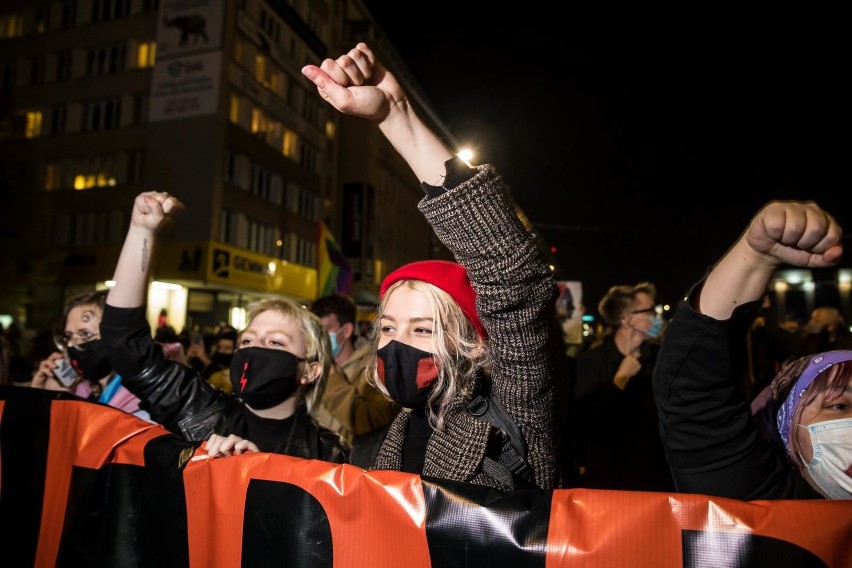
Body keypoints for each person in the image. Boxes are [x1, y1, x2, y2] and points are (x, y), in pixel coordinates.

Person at [301, 43, 564, 490]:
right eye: (388, 328)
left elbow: (511, 276)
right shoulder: (373, 448)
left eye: (423, 330)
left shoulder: (516, 415)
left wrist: (395, 116)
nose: (397, 346)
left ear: (474, 344)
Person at [100, 192, 347, 463]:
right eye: (247, 341)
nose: (254, 351)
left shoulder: (330, 456)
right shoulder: (199, 412)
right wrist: (141, 231)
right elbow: (125, 342)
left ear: (311, 370)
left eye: (275, 342)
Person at [654, 199, 851, 499]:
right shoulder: (771, 504)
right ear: (790, 432)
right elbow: (693, 389)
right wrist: (755, 256)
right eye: (840, 406)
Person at [572, 282, 674, 491]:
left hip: (655, 479)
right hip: (608, 481)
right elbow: (586, 421)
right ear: (627, 319)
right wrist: (621, 379)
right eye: (650, 311)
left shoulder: (660, 360)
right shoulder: (592, 361)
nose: (657, 317)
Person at [29, 290, 150, 421]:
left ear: (120, 336)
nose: (70, 345)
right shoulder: (79, 389)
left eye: (85, 334)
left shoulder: (146, 402)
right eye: (69, 336)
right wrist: (41, 397)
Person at [310, 293, 399, 446]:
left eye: (325, 329)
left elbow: (375, 423)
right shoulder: (311, 366)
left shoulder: (372, 370)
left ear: (346, 331)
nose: (317, 337)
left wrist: (334, 382)